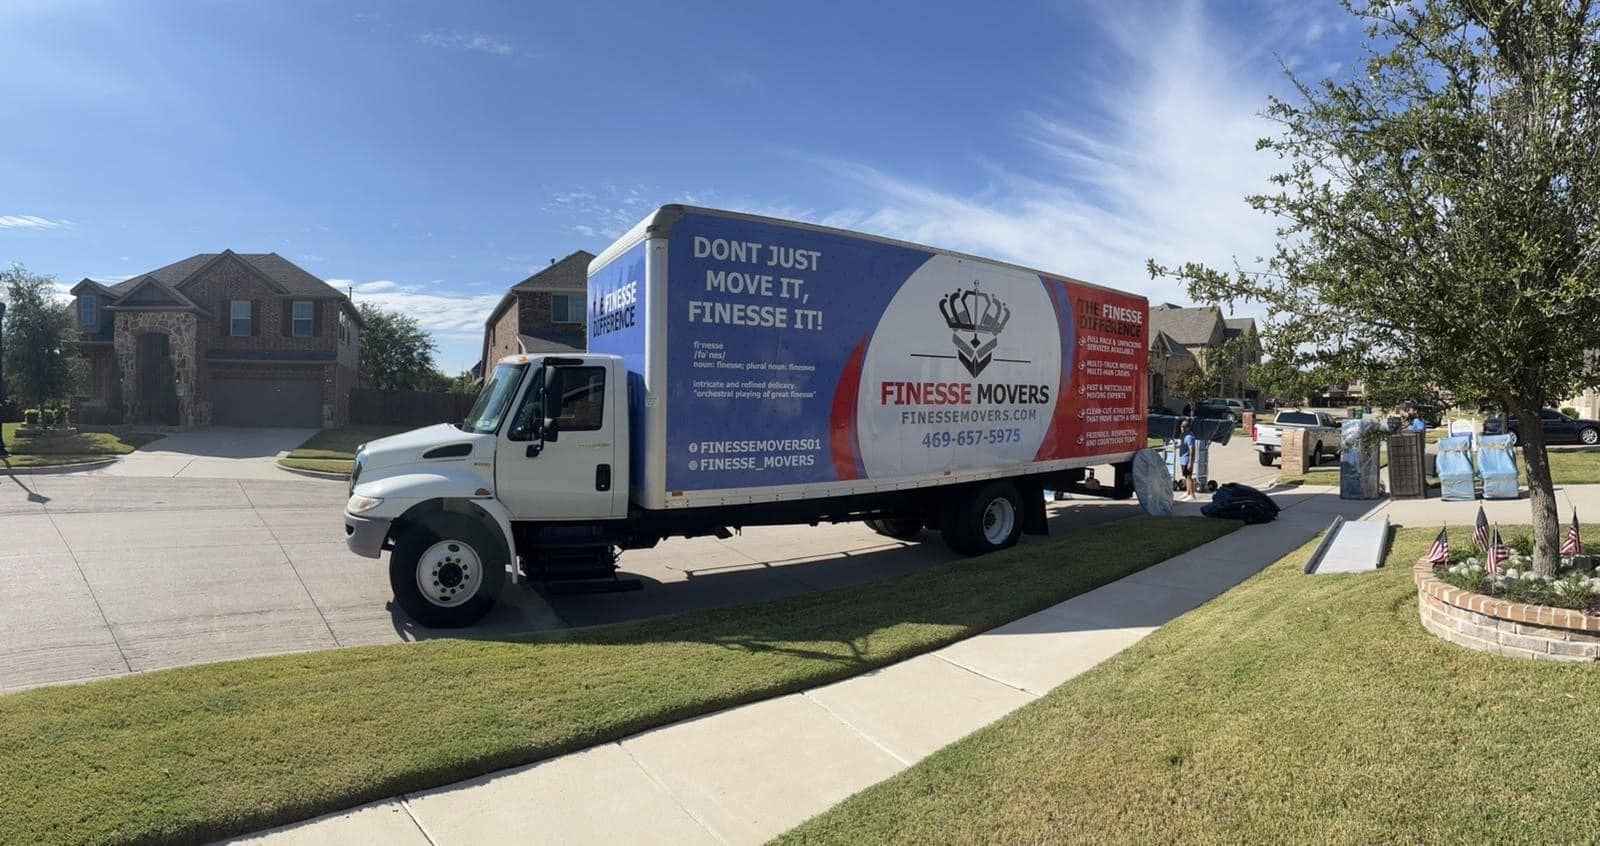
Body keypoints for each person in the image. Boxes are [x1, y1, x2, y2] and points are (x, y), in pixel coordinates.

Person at [1178, 419, 1197, 501]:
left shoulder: (1189, 437)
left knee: (1189, 477)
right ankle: (1188, 492)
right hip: (1183, 459)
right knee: (1186, 476)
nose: (1182, 428)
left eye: (1184, 427)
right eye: (1181, 427)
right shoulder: (1184, 435)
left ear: (1188, 428)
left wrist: (1190, 463)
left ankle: (1192, 495)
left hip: (1187, 459)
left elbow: (1192, 450)